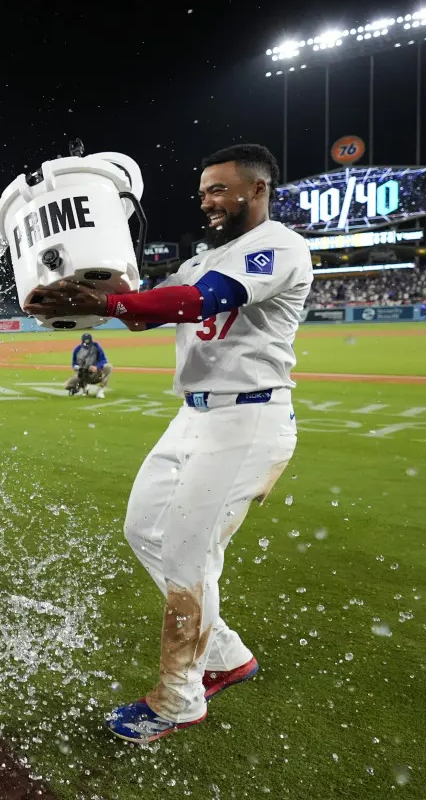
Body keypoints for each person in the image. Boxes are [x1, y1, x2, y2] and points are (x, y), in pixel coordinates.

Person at [27, 143, 311, 744]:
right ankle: (226, 653)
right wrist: (75, 291)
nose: (206, 199)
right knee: (144, 530)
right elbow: (146, 310)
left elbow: (201, 301)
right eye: (204, 189)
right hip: (194, 416)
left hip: (249, 418)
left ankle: (179, 698)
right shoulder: (206, 257)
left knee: (187, 556)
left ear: (257, 191)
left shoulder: (281, 245)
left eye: (220, 189)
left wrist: (107, 301)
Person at [66, 333, 112, 398]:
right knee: (68, 386)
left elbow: (104, 360)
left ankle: (100, 390)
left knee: (108, 367)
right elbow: (74, 363)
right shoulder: (77, 350)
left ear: (92, 341)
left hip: (95, 373)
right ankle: (84, 388)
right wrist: (78, 367)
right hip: (83, 373)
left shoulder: (97, 347)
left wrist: (96, 366)